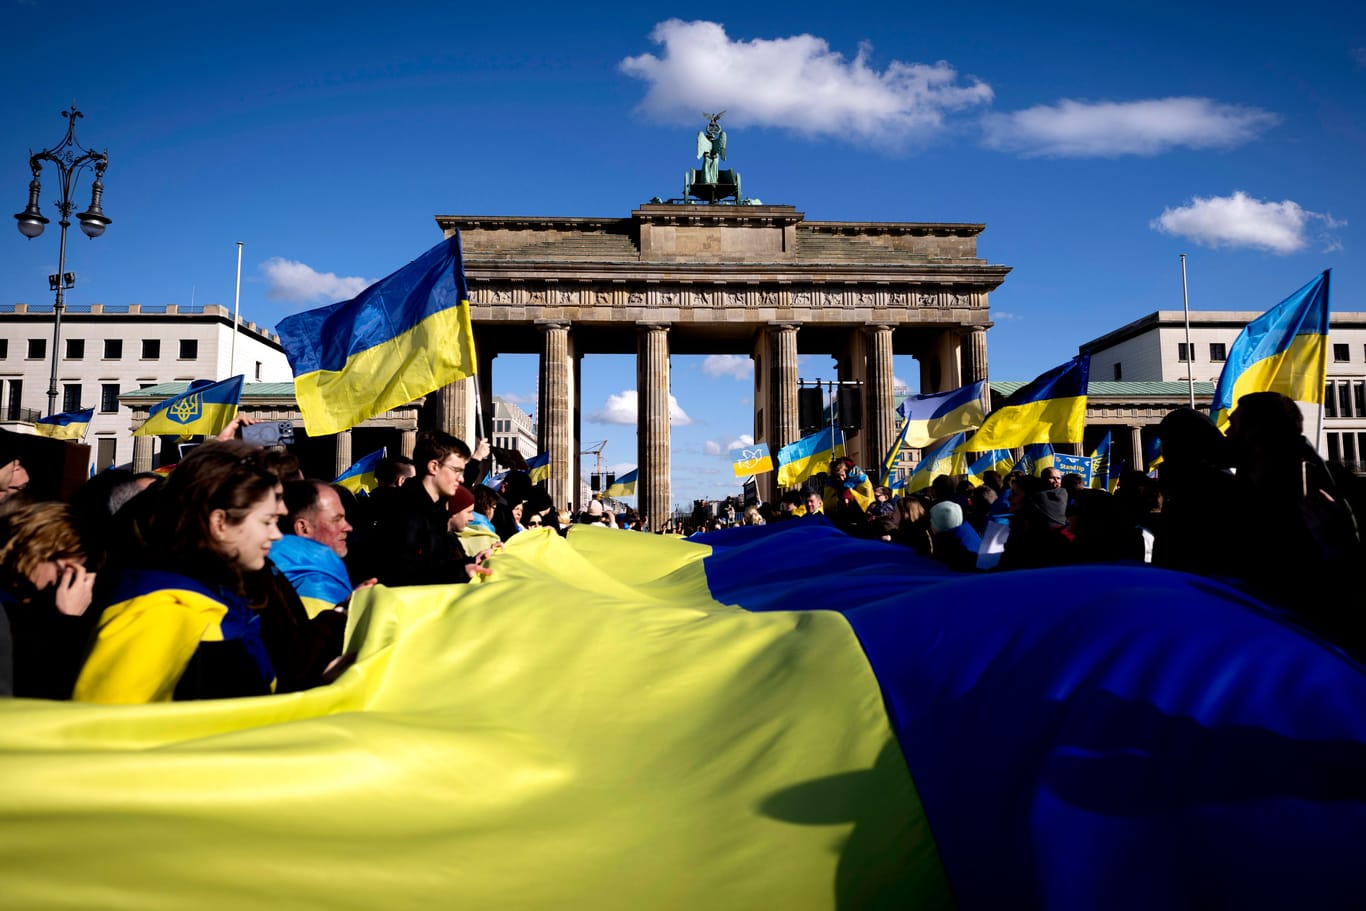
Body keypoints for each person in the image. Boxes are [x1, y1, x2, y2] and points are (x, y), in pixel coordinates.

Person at [73, 444, 283, 703]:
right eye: (266, 522)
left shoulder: (219, 596)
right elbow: (104, 725)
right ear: (219, 523)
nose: (277, 534)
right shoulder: (159, 611)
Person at [367, 431, 492, 586]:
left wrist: (475, 561)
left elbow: (436, 565)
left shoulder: (436, 511)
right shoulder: (405, 512)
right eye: (456, 470)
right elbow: (404, 576)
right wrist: (460, 572)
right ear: (434, 467)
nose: (461, 479)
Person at [0, 501, 97, 698]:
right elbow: (41, 689)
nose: (61, 581)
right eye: (67, 571)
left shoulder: (30, 605)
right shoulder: (10, 610)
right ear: (40, 550)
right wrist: (67, 622)